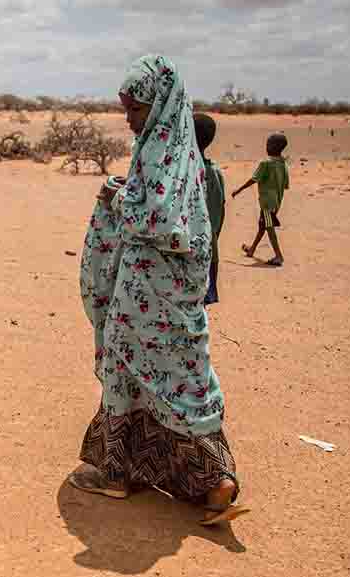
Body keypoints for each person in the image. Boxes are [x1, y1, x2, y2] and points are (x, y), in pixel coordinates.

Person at [72, 54, 246, 525]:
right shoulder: (169, 151)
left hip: (157, 297)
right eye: (126, 110)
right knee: (149, 374)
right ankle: (123, 474)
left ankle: (210, 483)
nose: (129, 120)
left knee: (170, 380)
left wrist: (117, 197)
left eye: (136, 110)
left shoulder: (165, 154)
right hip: (147, 296)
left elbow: (167, 225)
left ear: (161, 105)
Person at [233, 133, 290, 266]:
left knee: (268, 226)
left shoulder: (265, 163)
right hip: (276, 202)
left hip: (267, 203)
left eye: (268, 144)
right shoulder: (283, 164)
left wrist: (239, 189)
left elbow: (254, 179)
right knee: (262, 225)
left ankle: (278, 256)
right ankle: (252, 249)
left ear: (273, 146)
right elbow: (285, 185)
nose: (266, 146)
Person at [194, 113, 225, 304]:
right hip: (210, 243)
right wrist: (214, 235)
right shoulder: (214, 172)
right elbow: (220, 209)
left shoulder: (187, 171)